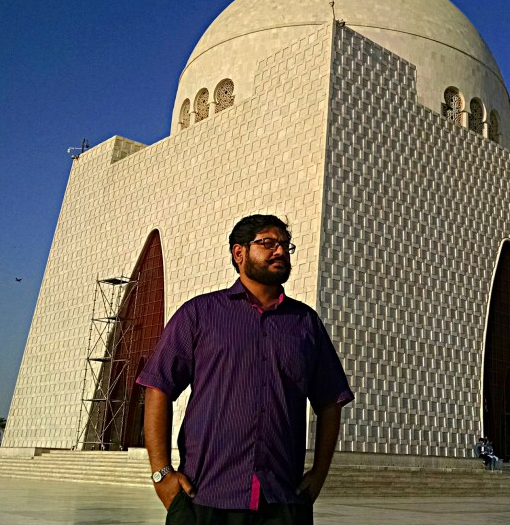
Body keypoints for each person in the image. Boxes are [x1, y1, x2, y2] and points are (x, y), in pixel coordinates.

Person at [138, 214, 354, 525]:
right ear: (239, 253)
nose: (280, 251)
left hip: (283, 498)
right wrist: (161, 472)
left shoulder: (305, 323)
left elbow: (331, 399)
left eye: (285, 245)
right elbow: (158, 385)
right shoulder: (200, 314)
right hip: (205, 496)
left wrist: (320, 472)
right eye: (268, 243)